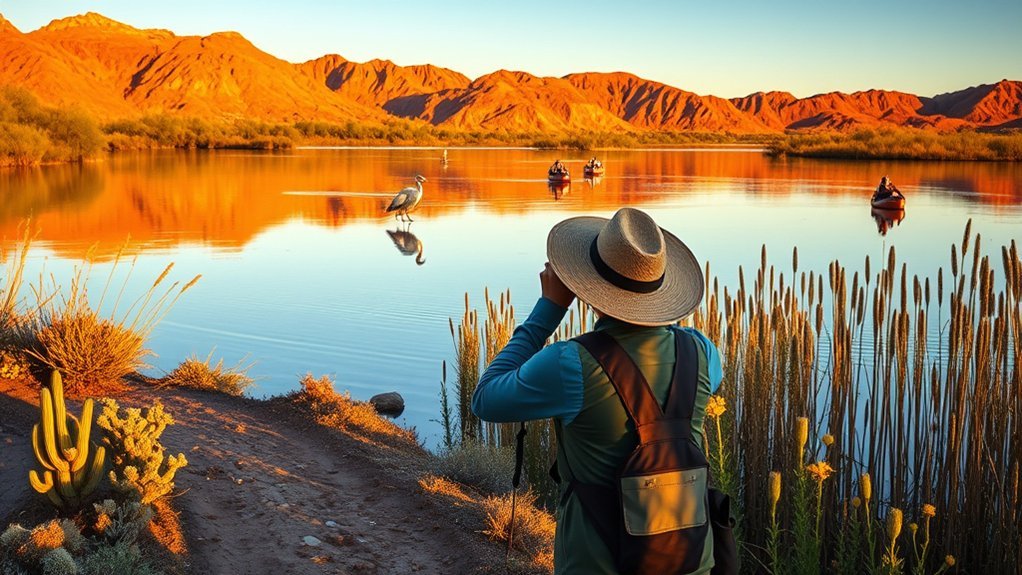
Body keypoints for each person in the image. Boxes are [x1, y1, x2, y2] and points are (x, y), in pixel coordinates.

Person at [472, 208, 726, 574]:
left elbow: (485, 399)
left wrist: (548, 309)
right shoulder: (703, 352)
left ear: (587, 286)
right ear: (660, 287)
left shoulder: (571, 363)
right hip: (691, 561)